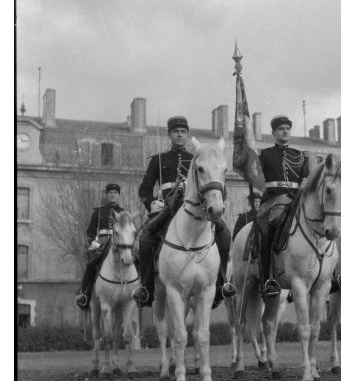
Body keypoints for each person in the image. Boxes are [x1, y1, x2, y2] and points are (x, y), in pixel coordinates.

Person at [132, 115, 236, 308]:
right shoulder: (158, 160)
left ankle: (222, 282)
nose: (179, 135)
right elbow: (144, 189)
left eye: (183, 132)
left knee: (224, 233)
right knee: (146, 236)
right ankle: (146, 287)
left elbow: (214, 181)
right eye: (175, 132)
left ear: (187, 135)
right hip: (167, 206)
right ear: (169, 135)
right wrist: (152, 203)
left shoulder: (197, 159)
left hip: (195, 207)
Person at [257, 115, 309, 297]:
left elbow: (306, 177)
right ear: (273, 133)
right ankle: (267, 279)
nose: (285, 131)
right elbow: (257, 178)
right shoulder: (265, 154)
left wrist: (304, 183)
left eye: (287, 128)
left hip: (296, 199)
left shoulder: (300, 155)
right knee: (265, 232)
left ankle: (328, 274)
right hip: (273, 200)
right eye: (281, 129)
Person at [75, 183, 124, 309]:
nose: (113, 195)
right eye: (110, 193)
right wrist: (93, 242)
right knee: (91, 264)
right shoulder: (99, 212)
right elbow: (90, 231)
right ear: (107, 195)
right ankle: (85, 294)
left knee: (135, 261)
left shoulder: (124, 213)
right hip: (102, 244)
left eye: (115, 193)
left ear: (119, 196)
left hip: (120, 244)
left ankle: (138, 290)